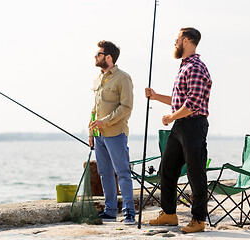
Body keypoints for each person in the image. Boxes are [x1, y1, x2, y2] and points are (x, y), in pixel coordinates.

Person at [146, 27, 212, 233]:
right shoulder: (184, 66)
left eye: (177, 39)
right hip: (180, 126)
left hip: (193, 126)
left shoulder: (195, 67)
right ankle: (169, 214)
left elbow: (192, 104)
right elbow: (179, 102)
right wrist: (156, 97)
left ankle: (198, 220)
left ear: (186, 40)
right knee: (167, 168)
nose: (174, 43)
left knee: (195, 173)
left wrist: (170, 117)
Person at [89, 40, 136, 225]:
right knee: (104, 173)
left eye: (98, 54)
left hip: (116, 133)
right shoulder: (98, 79)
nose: (95, 56)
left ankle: (129, 213)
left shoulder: (123, 78)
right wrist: (91, 131)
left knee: (123, 172)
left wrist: (105, 121)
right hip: (99, 135)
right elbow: (95, 108)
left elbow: (126, 107)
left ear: (108, 57)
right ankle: (110, 211)